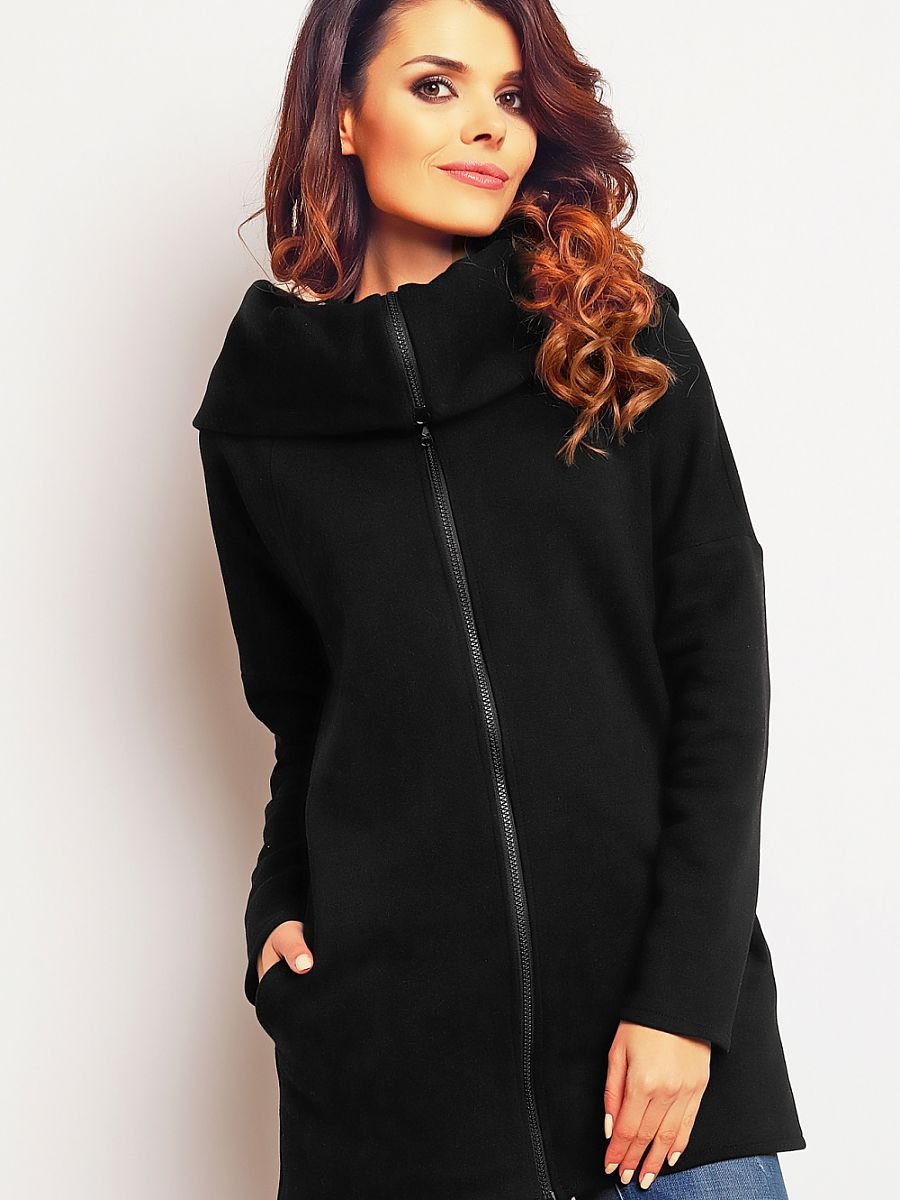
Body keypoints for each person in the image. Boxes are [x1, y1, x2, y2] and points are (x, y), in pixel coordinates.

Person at [191, 1, 806, 1197]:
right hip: (392, 1085)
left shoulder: (616, 339)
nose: (489, 126)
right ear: (344, 114)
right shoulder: (260, 414)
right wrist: (280, 915)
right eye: (437, 86)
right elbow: (303, 715)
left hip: (654, 1081)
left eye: (513, 96)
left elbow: (723, 681)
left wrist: (689, 1000)